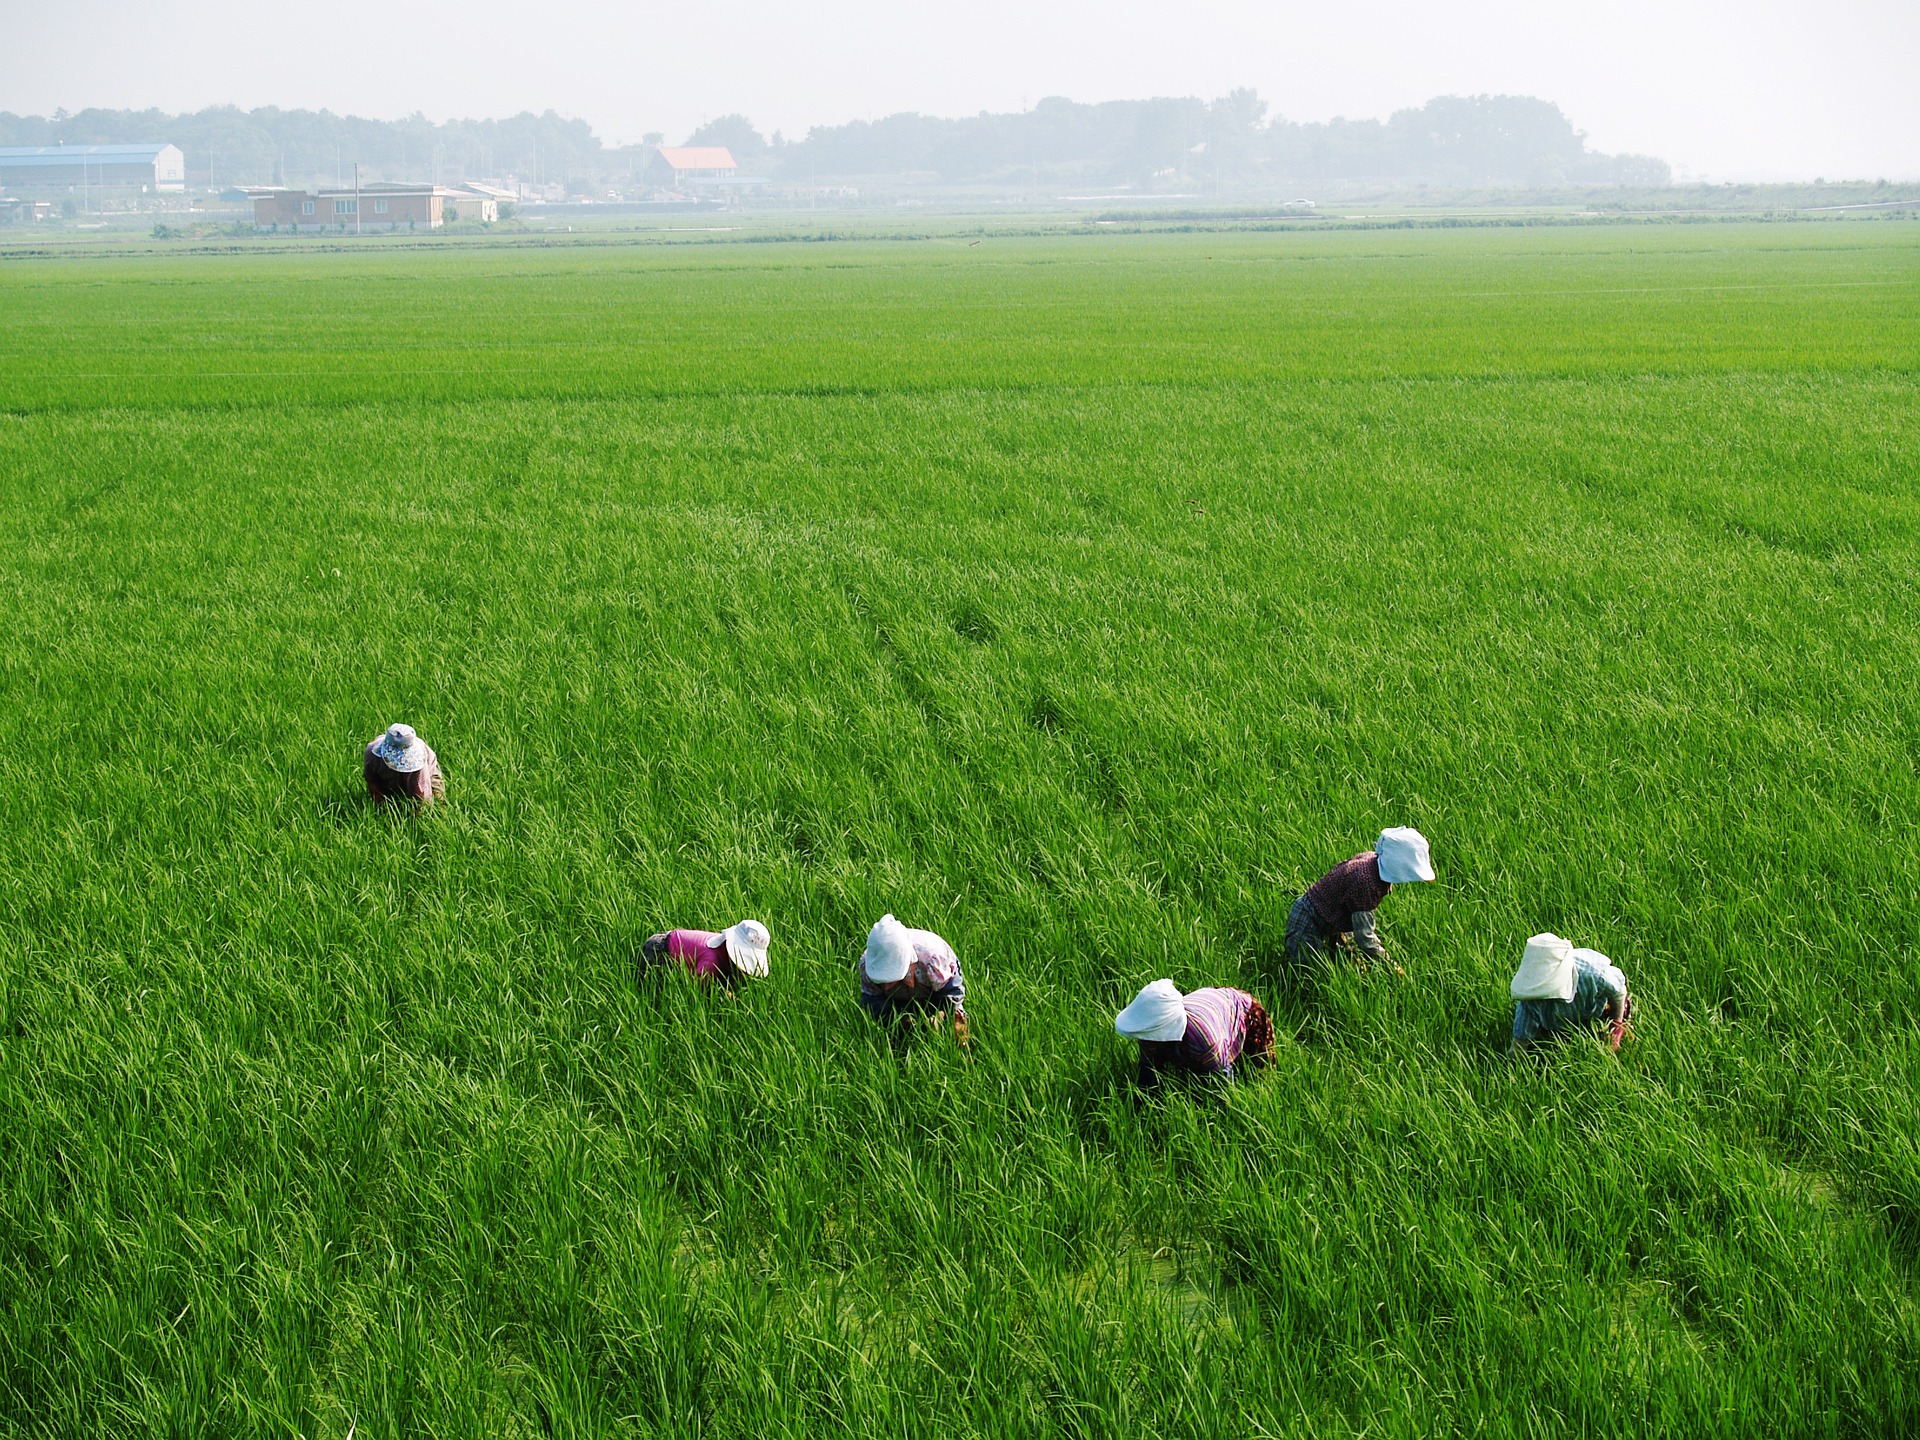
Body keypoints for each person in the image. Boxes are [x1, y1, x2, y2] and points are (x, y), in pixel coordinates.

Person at [1283, 826, 1435, 972]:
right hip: (1308, 921)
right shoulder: (1365, 881)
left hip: (1335, 923)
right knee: (1308, 973)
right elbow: (1365, 938)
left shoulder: (1374, 861)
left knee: (1348, 967)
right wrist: (1391, 965)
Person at [1115, 979, 1275, 1090]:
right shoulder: (1148, 1031)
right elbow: (1148, 1073)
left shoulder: (1204, 1041)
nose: (1144, 1041)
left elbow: (1221, 1083)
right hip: (1209, 1003)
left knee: (1253, 1069)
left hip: (1242, 1009)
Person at [1509, 932, 1631, 1054]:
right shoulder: (1530, 1002)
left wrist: (1616, 1026)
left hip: (1594, 1007)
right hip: (1555, 1024)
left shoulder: (1593, 975)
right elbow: (1519, 1046)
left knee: (1620, 1010)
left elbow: (1619, 992)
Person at [858, 913, 969, 1045]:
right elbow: (872, 1000)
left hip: (936, 987)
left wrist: (942, 1014)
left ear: (910, 962)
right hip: (900, 1001)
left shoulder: (932, 957)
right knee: (894, 1030)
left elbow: (952, 992)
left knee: (955, 1022)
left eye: (891, 979)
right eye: (881, 981)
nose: (886, 987)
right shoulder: (868, 965)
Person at [640, 919, 771, 989]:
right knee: (651, 987)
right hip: (658, 949)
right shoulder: (712, 962)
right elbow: (695, 988)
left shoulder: (722, 946)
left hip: (668, 939)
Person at [364, 722, 445, 805]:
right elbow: (371, 779)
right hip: (387, 774)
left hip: (427, 770)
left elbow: (421, 794)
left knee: (437, 800)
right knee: (389, 794)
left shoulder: (419, 761)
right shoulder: (372, 753)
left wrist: (418, 813)